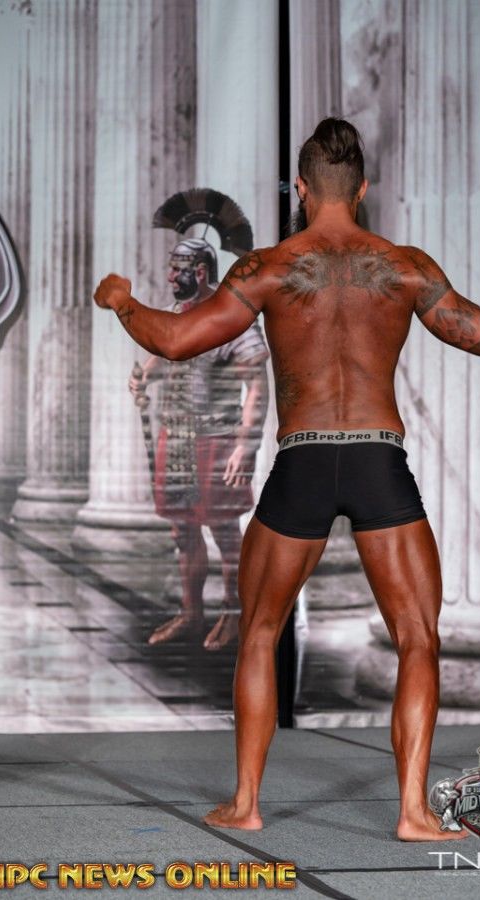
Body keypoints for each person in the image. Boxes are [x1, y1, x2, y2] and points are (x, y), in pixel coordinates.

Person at [94, 118, 480, 841]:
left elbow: (178, 340)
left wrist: (123, 301)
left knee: (259, 631)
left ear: (301, 189)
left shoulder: (269, 268)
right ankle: (413, 812)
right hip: (378, 460)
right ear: (363, 188)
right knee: (418, 638)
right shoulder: (404, 266)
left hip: (304, 460)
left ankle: (246, 803)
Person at [129, 237, 269, 650]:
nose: (170, 277)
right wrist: (143, 378)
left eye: (178, 270)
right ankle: (191, 614)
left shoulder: (234, 318)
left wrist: (247, 445)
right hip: (176, 438)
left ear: (202, 272)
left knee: (224, 531)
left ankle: (234, 615)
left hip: (217, 440)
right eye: (171, 268)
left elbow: (257, 388)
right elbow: (164, 354)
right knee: (183, 530)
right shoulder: (177, 314)